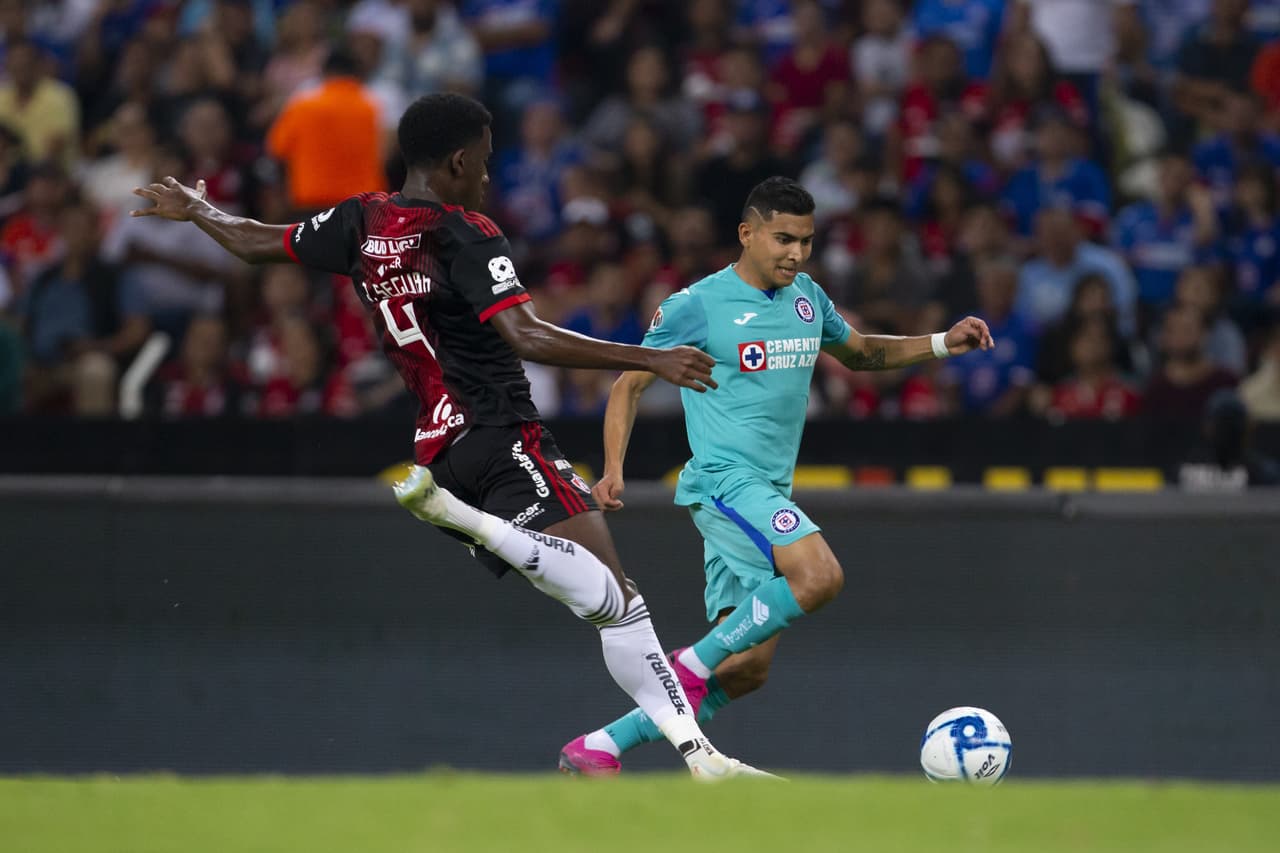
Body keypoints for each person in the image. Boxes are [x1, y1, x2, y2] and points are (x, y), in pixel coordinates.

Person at [131, 92, 763, 781]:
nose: (489, 175)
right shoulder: (464, 230)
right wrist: (651, 357)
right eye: (486, 161)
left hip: (439, 446)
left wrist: (199, 211)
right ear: (460, 159)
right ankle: (699, 756)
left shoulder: (361, 220)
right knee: (615, 599)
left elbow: (259, 242)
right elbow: (525, 334)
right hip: (500, 428)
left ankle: (701, 758)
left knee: (613, 598)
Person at [559, 177, 993, 774]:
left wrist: (944, 342)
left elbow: (864, 351)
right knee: (819, 576)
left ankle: (599, 747)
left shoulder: (807, 298)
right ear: (747, 233)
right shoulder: (697, 305)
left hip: (766, 492)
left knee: (746, 670)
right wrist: (612, 469)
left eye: (806, 242)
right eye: (783, 239)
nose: (795, 253)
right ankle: (686, 664)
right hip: (724, 481)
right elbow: (629, 380)